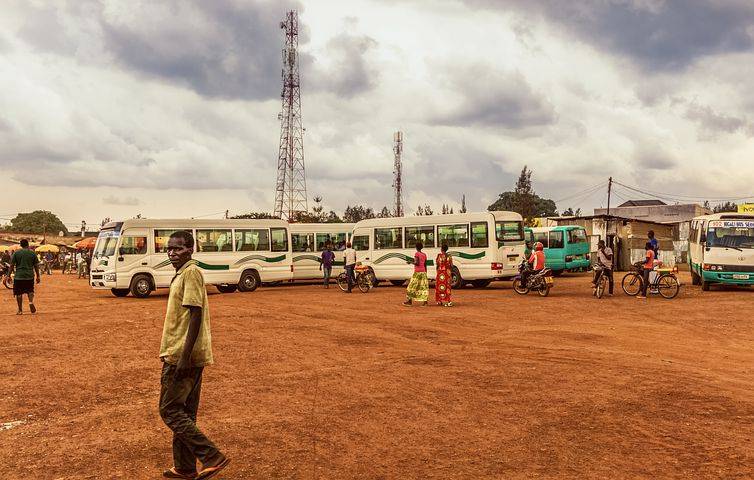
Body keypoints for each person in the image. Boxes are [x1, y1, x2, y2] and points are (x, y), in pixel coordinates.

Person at [158, 230, 229, 479]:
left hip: (182, 354)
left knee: (169, 410)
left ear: (190, 249)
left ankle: (211, 456)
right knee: (185, 412)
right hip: (182, 352)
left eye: (178, 248)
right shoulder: (182, 273)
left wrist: (184, 356)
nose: (172, 253)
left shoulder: (191, 272)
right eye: (169, 248)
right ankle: (185, 467)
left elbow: (195, 314)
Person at [10, 239, 41, 315]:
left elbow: (12, 265)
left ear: (20, 245)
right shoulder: (32, 253)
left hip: (19, 276)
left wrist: (8, 276)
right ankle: (30, 302)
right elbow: (36, 266)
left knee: (19, 293)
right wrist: (38, 276)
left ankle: (20, 310)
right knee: (30, 290)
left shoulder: (16, 253)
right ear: (28, 244)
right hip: (29, 275)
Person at [404, 241, 429, 306]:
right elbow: (425, 264)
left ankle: (409, 301)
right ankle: (425, 302)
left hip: (417, 272)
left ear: (416, 247)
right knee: (423, 287)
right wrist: (425, 272)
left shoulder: (417, 254)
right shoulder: (424, 254)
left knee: (411, 286)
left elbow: (417, 263)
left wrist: (410, 262)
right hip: (423, 272)